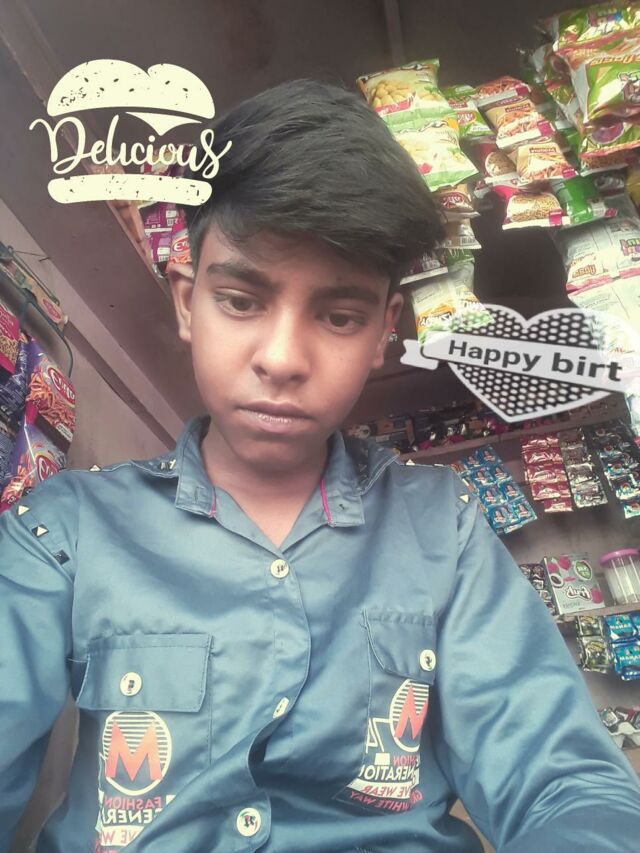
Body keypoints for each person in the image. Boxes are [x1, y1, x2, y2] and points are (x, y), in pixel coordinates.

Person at [1, 78, 639, 853]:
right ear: (186, 301)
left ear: (382, 332)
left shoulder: (442, 529)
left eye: (338, 316)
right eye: (241, 301)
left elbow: (566, 785)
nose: (282, 358)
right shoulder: (66, 532)